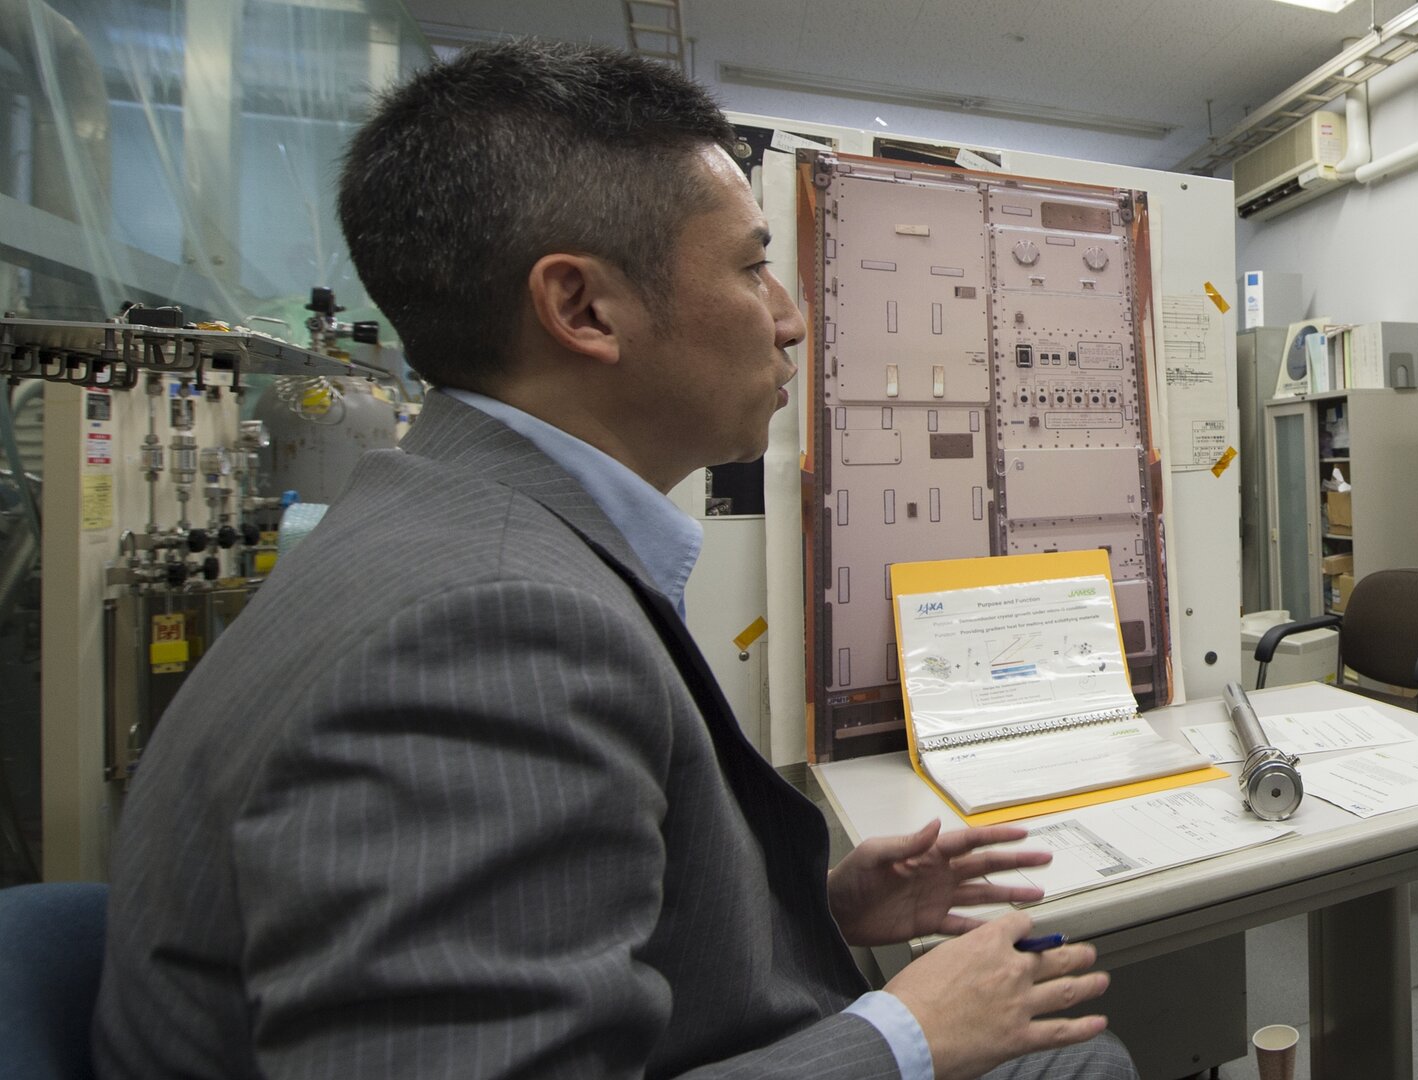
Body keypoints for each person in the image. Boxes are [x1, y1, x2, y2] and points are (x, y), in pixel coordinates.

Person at [95, 41, 1132, 1080]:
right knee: (1077, 1062)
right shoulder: (485, 626)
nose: (792, 318)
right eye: (749, 265)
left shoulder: (450, 531)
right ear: (583, 308)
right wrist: (906, 1036)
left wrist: (815, 908)